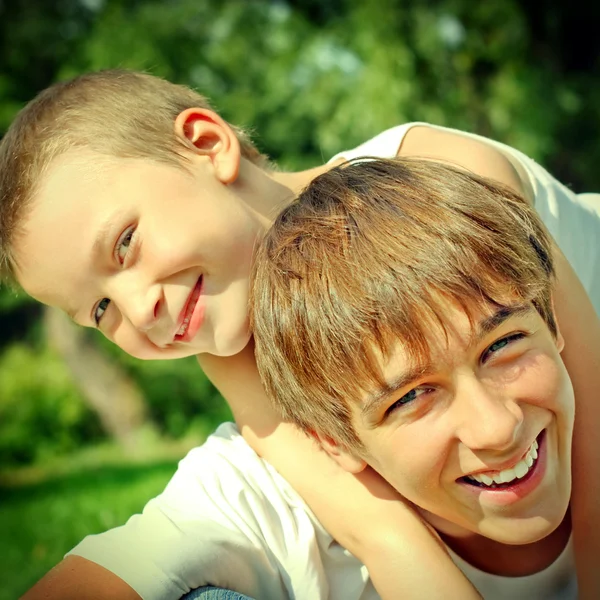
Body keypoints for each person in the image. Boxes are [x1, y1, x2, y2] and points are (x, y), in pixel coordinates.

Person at [0, 69, 597, 599]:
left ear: (207, 144)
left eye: (125, 244)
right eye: (101, 309)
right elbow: (378, 527)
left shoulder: (437, 178)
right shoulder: (234, 351)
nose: (139, 308)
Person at [251, 157, 585, 599]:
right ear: (334, 441)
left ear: (554, 324)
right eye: (412, 397)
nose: (498, 428)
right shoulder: (269, 505)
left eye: (502, 346)